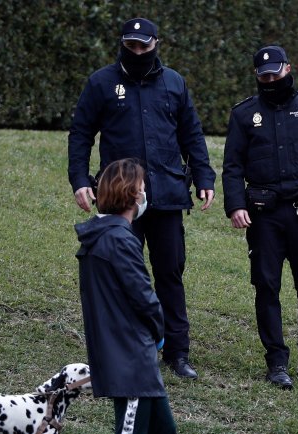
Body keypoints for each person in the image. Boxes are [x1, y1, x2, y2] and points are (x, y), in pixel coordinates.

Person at [68, 17, 216, 380]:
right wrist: (79, 179)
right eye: (130, 45)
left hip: (166, 195)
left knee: (169, 274)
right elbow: (81, 133)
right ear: (122, 43)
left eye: (143, 46)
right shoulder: (101, 82)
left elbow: (192, 134)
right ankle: (127, 350)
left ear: (155, 44)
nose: (136, 51)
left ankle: (177, 354)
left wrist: (204, 176)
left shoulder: (174, 83)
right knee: (122, 275)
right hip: (119, 200)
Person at [75, 158, 193, 434]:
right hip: (130, 359)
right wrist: (159, 334)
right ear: (132, 193)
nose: (146, 193)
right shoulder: (120, 239)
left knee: (163, 431)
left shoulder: (102, 236)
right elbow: (145, 298)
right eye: (142, 186)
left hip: (131, 355)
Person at [222, 46, 298, 391]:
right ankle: (276, 362)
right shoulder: (245, 114)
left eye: (276, 73)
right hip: (264, 216)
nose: (271, 80)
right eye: (264, 76)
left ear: (289, 68)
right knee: (266, 286)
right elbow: (232, 165)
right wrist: (235, 205)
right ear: (257, 76)